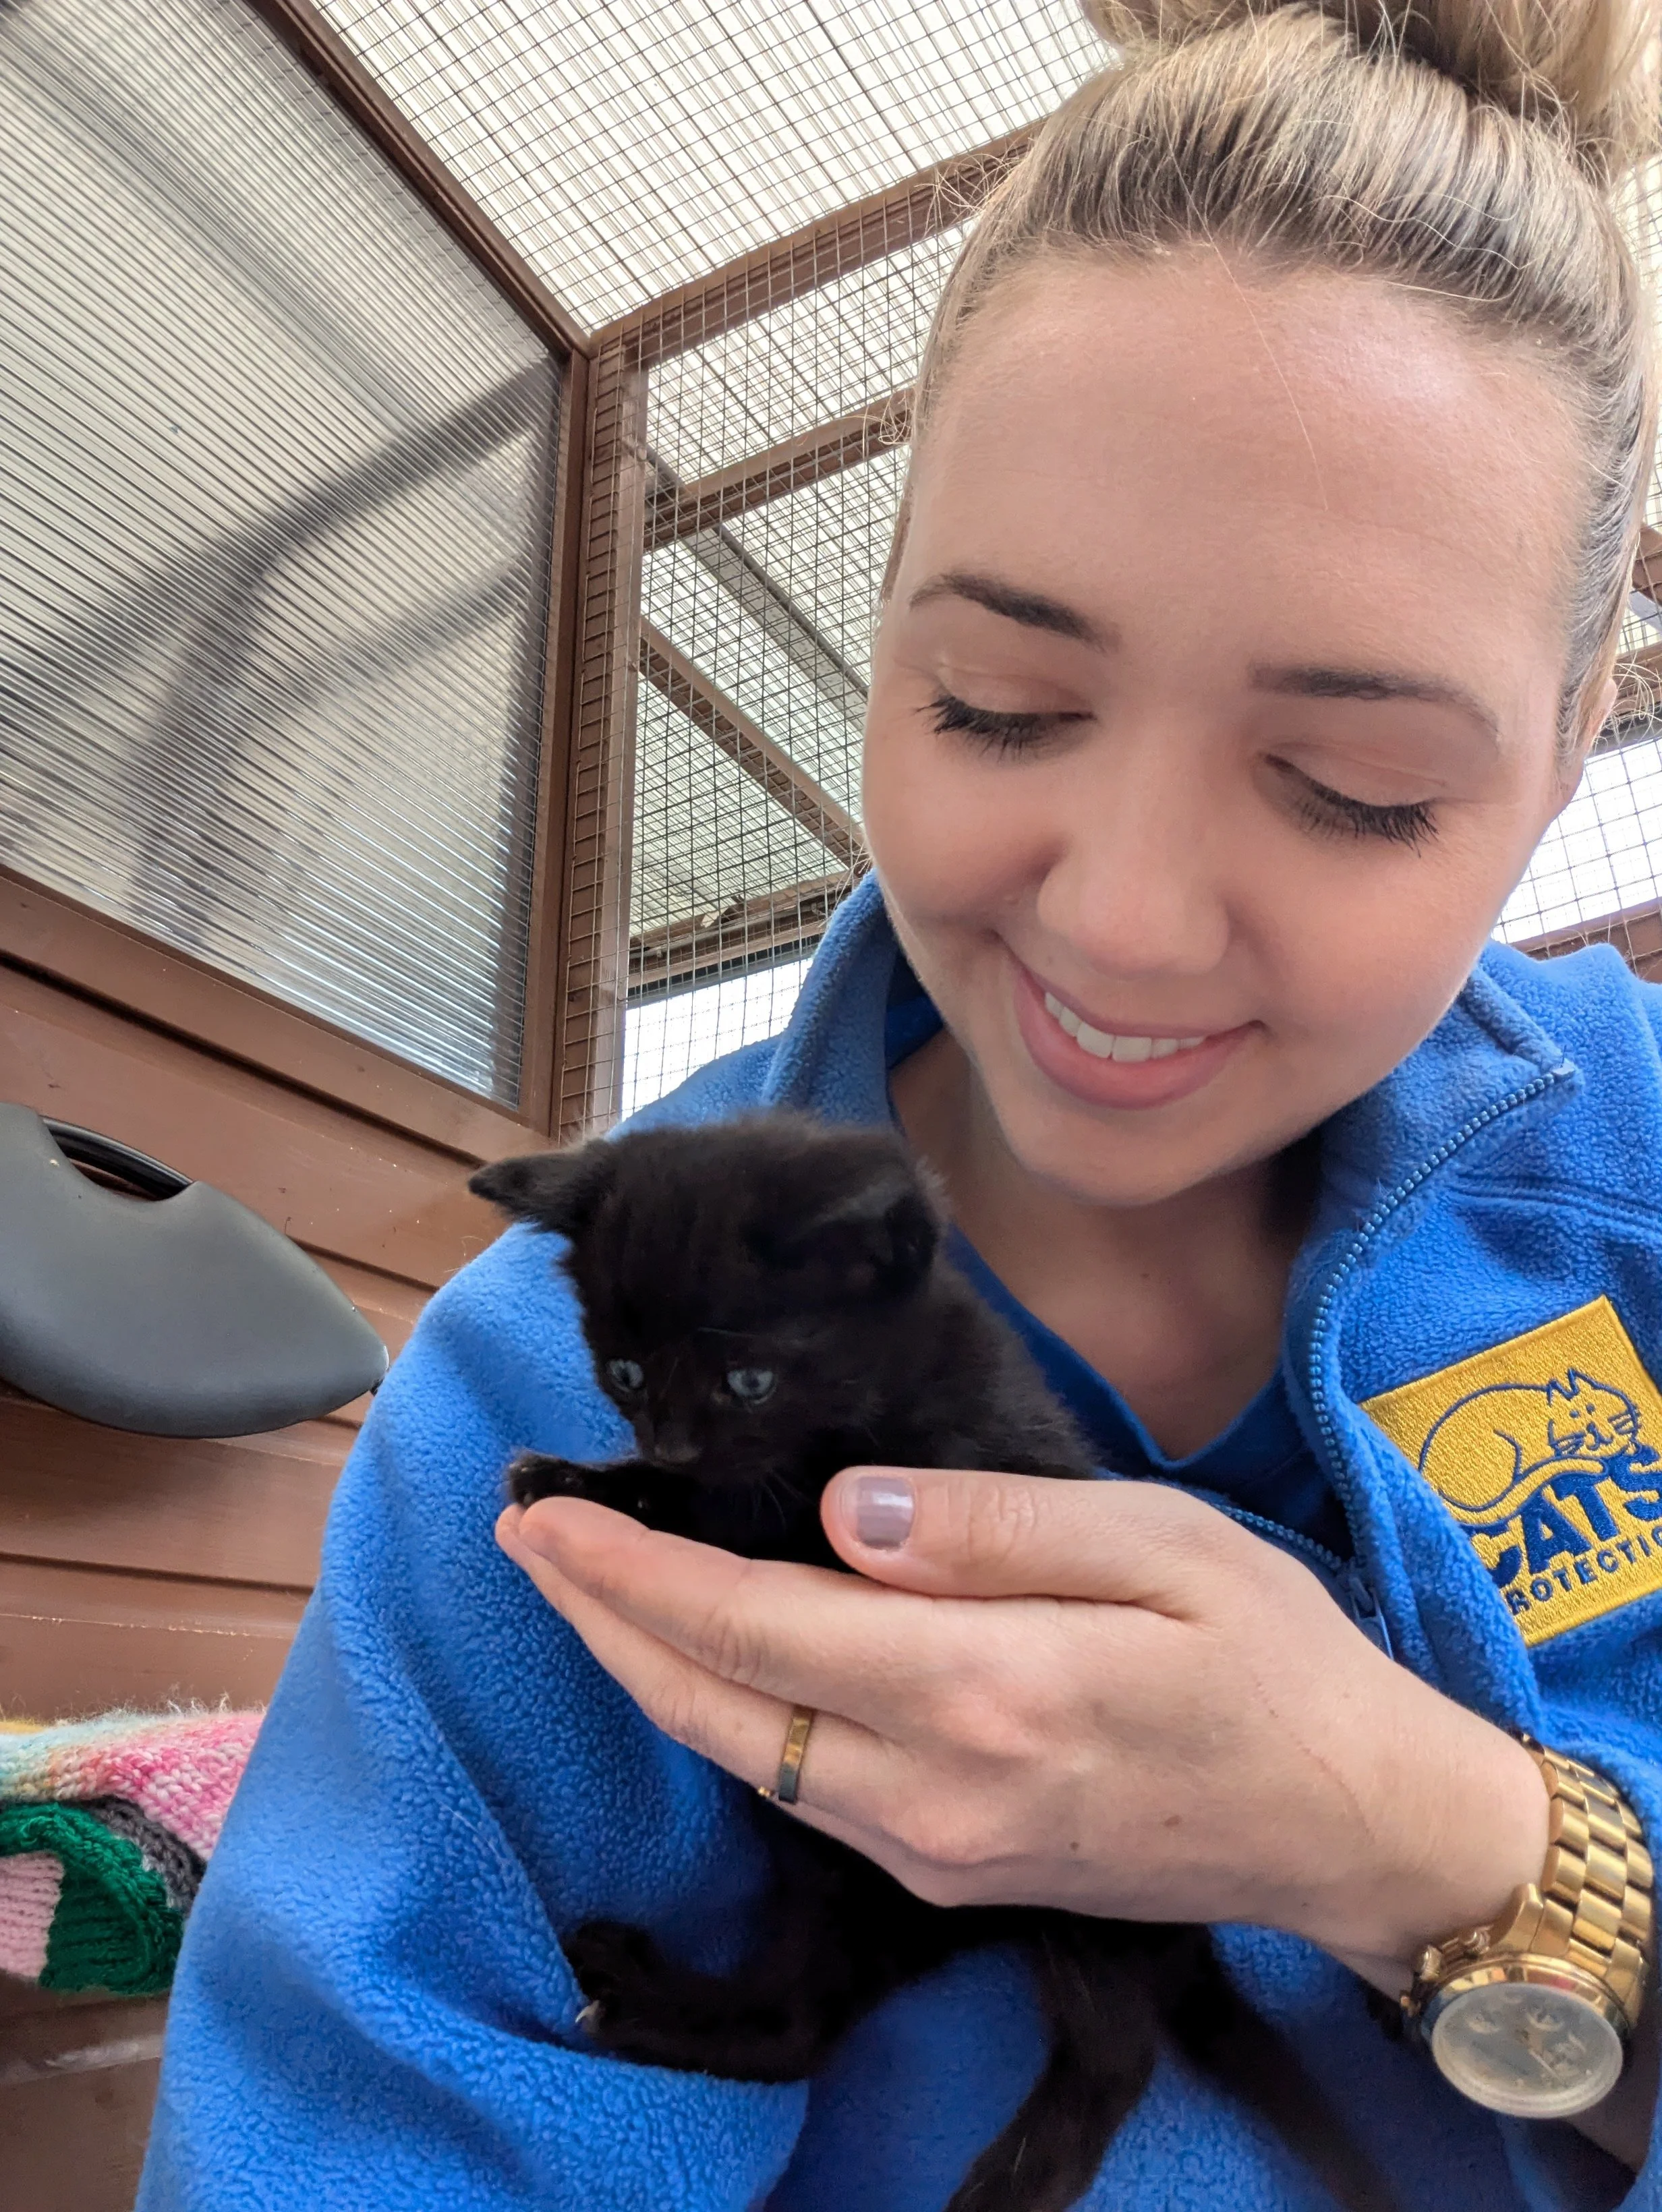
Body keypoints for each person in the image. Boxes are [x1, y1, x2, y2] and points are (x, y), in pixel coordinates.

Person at [141, 4, 1662, 2206]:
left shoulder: (1623, 1172)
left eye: (1357, 789)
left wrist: (1440, 1839)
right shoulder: (525, 1378)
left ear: (1572, 728)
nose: (1124, 926)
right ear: (883, 615)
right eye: (1000, 705)